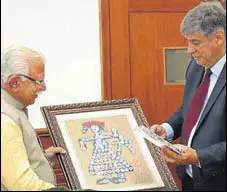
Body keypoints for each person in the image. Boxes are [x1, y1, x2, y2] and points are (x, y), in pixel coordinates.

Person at [151, 1, 226, 191]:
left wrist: (199, 156)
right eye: (188, 41)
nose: (189, 50)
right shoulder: (196, 66)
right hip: (190, 179)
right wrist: (167, 129)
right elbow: (191, 108)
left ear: (219, 38)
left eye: (196, 42)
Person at [1, 45, 67, 191]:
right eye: (39, 81)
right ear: (14, 83)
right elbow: (22, 185)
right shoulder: (4, 119)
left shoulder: (14, 108)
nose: (43, 87)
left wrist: (41, 159)